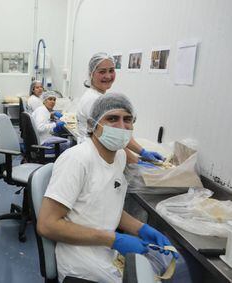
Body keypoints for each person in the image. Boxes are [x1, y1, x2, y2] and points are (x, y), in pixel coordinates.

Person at [37, 93, 190, 283]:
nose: (121, 126)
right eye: (112, 119)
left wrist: (142, 229)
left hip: (107, 254)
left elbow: (107, 204)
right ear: (94, 124)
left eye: (127, 120)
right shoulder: (77, 160)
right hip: (80, 266)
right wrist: (114, 239)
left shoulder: (119, 157)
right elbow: (47, 224)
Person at [76, 52, 164, 166]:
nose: (108, 76)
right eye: (102, 71)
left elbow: (119, 134)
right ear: (91, 73)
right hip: (93, 158)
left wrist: (142, 151)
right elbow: (114, 138)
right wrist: (137, 162)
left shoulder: (99, 97)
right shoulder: (92, 100)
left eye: (111, 70)